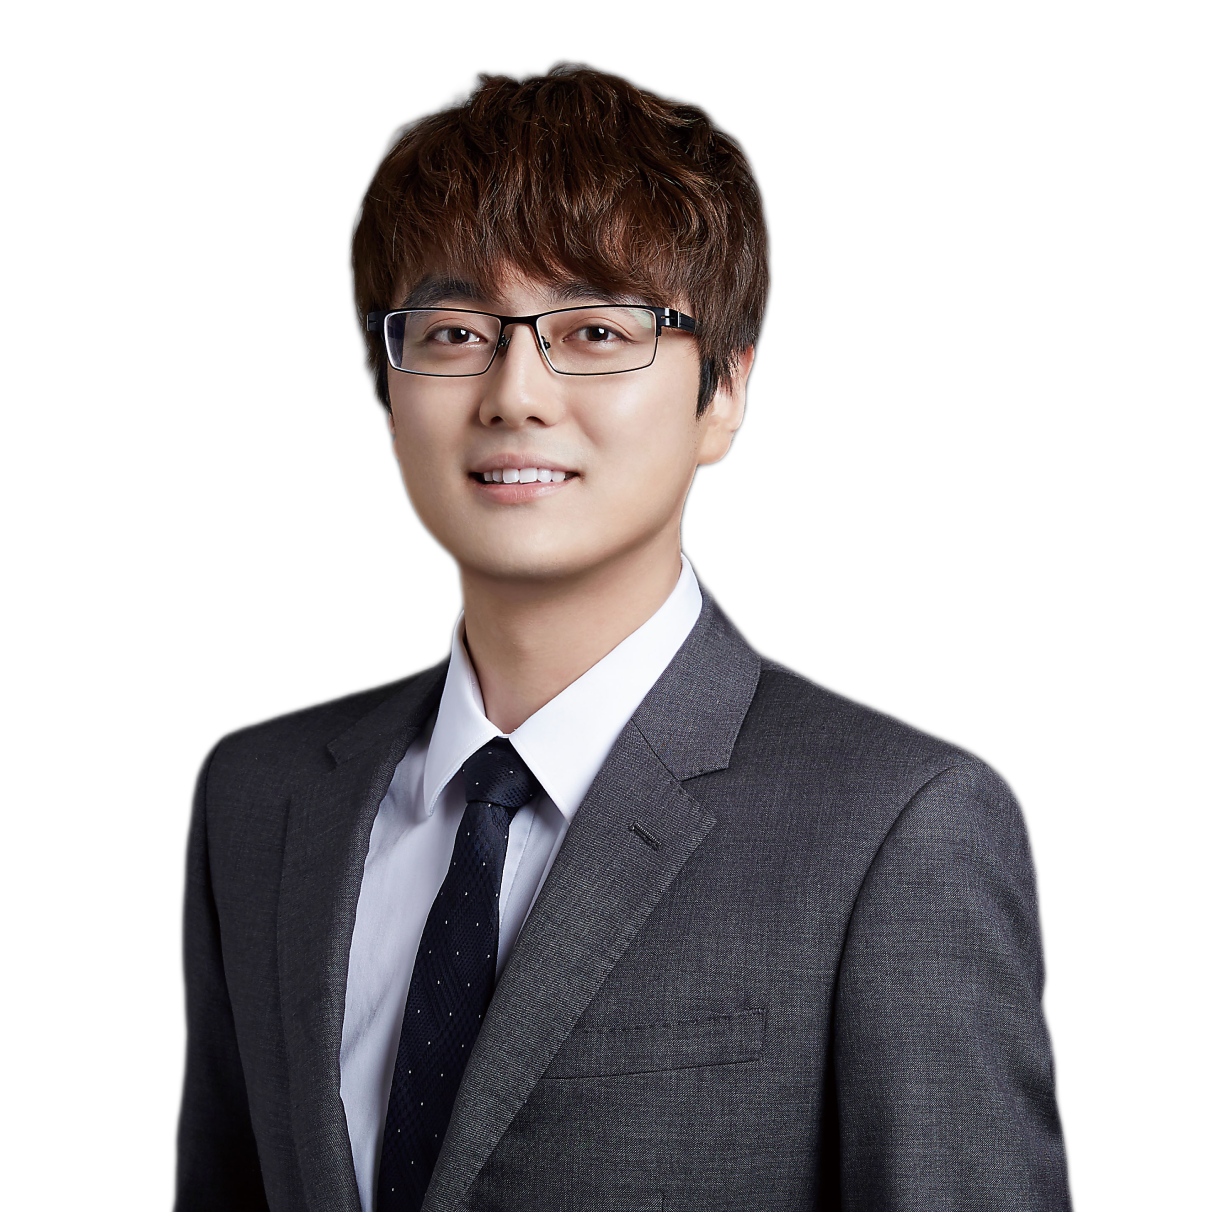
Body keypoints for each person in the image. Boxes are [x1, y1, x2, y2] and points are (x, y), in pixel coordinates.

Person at [172, 59, 1075, 1211]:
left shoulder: (903, 823)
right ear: (389, 396)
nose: (515, 393)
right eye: (454, 332)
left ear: (725, 391)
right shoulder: (259, 795)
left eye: (596, 330)